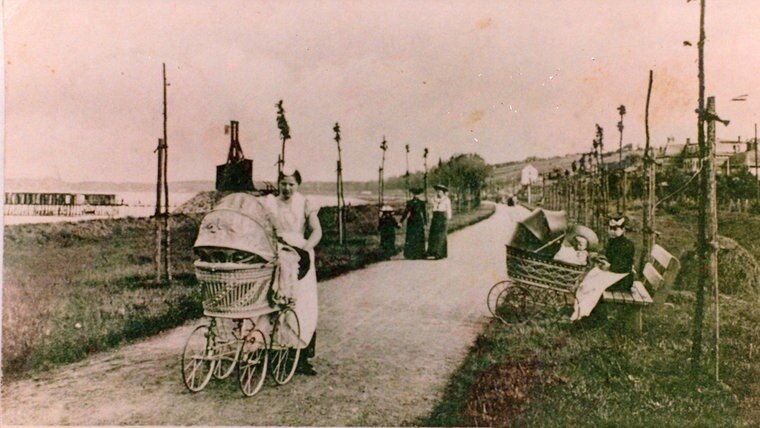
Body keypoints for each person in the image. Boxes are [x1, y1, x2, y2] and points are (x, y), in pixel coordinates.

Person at [265, 169, 322, 375]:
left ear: (297, 185)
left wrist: (306, 248)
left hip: (299, 255)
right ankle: (272, 350)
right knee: (273, 299)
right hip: (275, 252)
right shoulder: (269, 202)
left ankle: (301, 357)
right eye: (283, 184)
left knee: (301, 303)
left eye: (291, 184)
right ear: (278, 184)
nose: (287, 188)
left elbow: (317, 230)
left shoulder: (304, 202)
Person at [570, 215, 635, 321]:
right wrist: (600, 259)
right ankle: (580, 309)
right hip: (613, 272)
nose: (613, 232)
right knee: (590, 278)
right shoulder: (612, 242)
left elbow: (626, 266)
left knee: (596, 286)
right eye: (611, 229)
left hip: (623, 277)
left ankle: (584, 313)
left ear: (623, 230)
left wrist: (610, 266)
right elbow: (608, 256)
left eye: (616, 229)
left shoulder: (628, 245)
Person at [427, 184, 452, 259]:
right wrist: (431, 216)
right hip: (435, 217)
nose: (438, 193)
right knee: (434, 234)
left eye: (440, 192)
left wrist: (448, 217)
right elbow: (431, 209)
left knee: (441, 235)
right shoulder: (433, 199)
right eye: (437, 191)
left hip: (442, 217)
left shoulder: (447, 200)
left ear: (443, 192)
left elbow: (448, 209)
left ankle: (440, 253)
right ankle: (432, 252)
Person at [401, 187, 427, 259]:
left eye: (417, 194)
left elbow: (424, 213)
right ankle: (410, 254)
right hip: (411, 221)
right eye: (415, 194)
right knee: (411, 237)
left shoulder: (422, 203)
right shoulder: (410, 202)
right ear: (413, 195)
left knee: (419, 237)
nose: (416, 196)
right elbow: (406, 212)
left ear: (419, 195)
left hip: (419, 221)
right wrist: (401, 221)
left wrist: (425, 223)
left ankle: (420, 254)